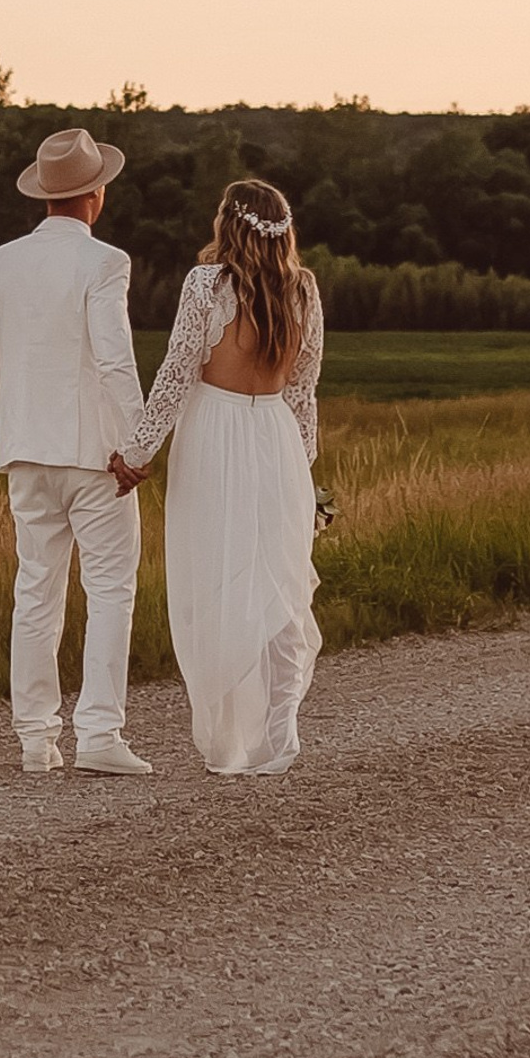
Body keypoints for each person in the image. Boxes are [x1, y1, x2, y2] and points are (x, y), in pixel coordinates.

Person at [111, 179, 325, 775]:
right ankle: (277, 735)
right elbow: (305, 394)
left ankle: (230, 738)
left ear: (227, 225)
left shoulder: (207, 283)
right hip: (277, 440)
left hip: (215, 436)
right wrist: (303, 482)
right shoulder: (304, 289)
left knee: (214, 575)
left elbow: (178, 372)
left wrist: (137, 451)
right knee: (270, 577)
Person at [0, 127, 153, 776]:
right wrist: (139, 442)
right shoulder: (105, 263)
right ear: (95, 194)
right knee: (108, 590)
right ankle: (99, 735)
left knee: (36, 590)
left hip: (24, 448)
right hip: (94, 453)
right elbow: (115, 360)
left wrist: (38, 386)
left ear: (45, 194)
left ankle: (35, 741)